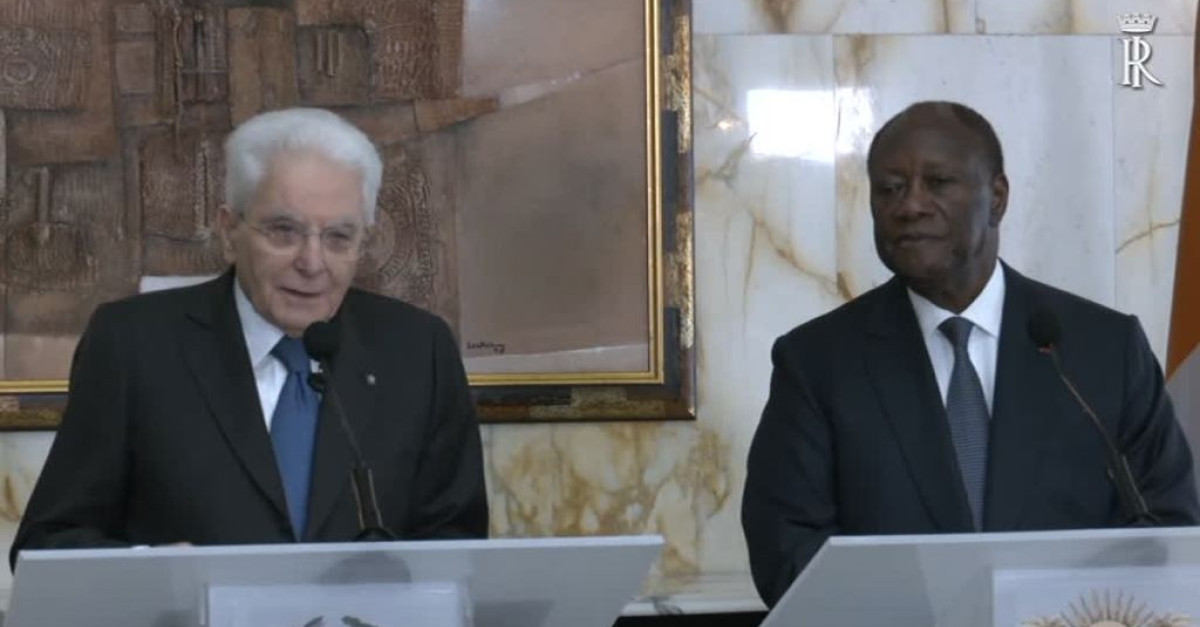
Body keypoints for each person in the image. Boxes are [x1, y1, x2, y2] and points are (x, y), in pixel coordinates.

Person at [741, 100, 1200, 607]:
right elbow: (787, 552)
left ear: (997, 198)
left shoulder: (1104, 349)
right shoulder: (817, 362)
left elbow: (1165, 528)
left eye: (938, 183)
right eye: (890, 188)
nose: (910, 206)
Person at [10, 108, 487, 569]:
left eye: (339, 237)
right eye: (284, 231)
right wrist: (155, 573)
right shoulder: (133, 345)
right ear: (228, 230)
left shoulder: (418, 351)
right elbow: (48, 545)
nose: (312, 262)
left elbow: (456, 546)